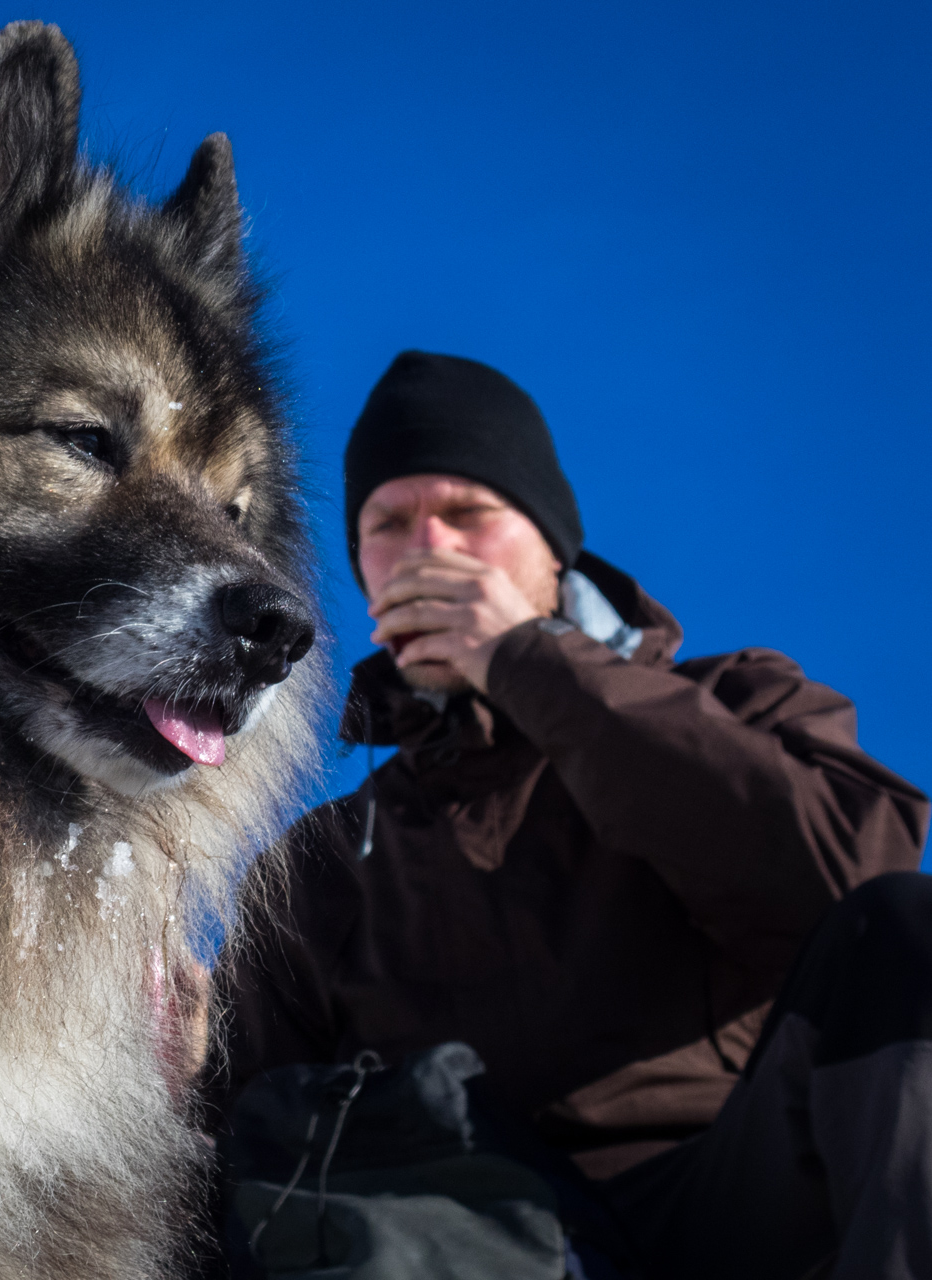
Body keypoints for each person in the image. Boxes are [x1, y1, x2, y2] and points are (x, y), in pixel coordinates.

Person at [205, 351, 932, 1277]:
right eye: (389, 524)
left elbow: (849, 885)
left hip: (736, 1200)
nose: (429, 547)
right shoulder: (324, 861)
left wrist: (527, 659)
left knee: (909, 927)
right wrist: (179, 1066)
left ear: (554, 548)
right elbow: (237, 1152)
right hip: (461, 1236)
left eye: (469, 514)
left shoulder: (742, 701)